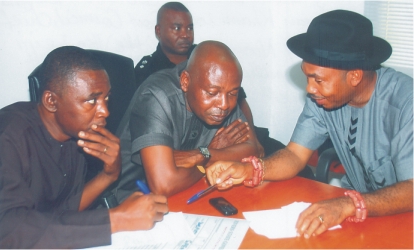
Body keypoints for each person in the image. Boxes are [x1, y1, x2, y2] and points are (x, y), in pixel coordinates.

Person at [205, 9, 413, 239]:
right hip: (356, 217)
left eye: (318, 80)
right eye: (307, 77)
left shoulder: (405, 103)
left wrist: (348, 204)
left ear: (354, 77)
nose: (310, 89)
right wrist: (249, 170)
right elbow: (295, 155)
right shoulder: (324, 97)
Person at [0, 46, 168, 249]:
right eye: (92, 100)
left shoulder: (76, 135)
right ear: (51, 101)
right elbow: (7, 230)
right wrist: (117, 219)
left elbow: (64, 211)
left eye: (106, 98)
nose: (105, 111)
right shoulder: (7, 135)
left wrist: (109, 175)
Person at [134, 2, 291, 159]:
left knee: (286, 160)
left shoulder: (206, 56)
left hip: (229, 134)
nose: (185, 34)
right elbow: (160, 152)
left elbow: (240, 103)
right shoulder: (150, 75)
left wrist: (253, 137)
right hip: (186, 147)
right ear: (158, 30)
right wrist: (208, 150)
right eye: (177, 28)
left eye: (190, 28)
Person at [129, 40, 261, 197]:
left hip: (191, 191)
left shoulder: (222, 93)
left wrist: (203, 154)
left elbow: (255, 149)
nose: (224, 105)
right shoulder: (156, 96)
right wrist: (206, 158)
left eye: (233, 93)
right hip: (133, 199)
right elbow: (164, 185)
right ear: (185, 81)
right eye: (212, 93)